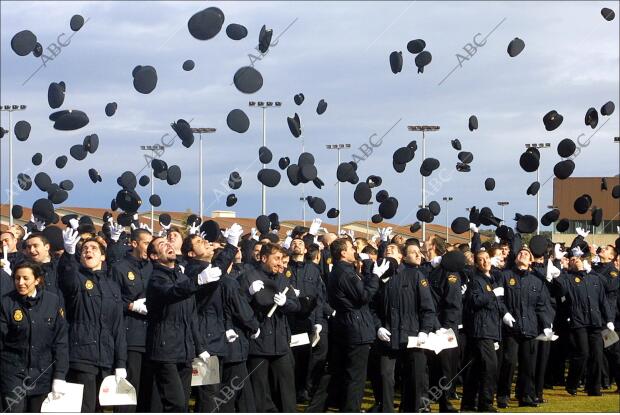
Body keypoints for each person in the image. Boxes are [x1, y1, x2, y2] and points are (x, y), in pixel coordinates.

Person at [57, 229, 127, 412]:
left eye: (94, 248)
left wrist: (120, 362)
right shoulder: (77, 278)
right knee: (85, 408)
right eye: (85, 248)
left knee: (101, 408)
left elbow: (118, 327)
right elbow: (67, 279)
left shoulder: (112, 286)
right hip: (82, 357)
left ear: (103, 257)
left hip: (106, 358)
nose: (88, 250)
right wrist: (69, 254)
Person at [145, 236, 217, 412]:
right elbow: (172, 292)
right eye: (162, 245)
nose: (168, 245)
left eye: (168, 243)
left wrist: (200, 347)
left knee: (183, 403)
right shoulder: (156, 278)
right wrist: (197, 281)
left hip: (185, 350)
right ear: (154, 256)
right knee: (175, 403)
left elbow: (191, 316)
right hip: (165, 351)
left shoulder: (181, 275)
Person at [183, 225, 242, 412]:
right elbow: (218, 270)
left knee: (213, 393)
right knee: (208, 394)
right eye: (199, 242)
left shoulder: (207, 267)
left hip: (215, 337)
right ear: (191, 254)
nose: (206, 243)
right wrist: (232, 245)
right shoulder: (194, 271)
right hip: (203, 339)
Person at [371, 243, 436, 412]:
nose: (388, 250)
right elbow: (371, 307)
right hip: (387, 337)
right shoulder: (376, 276)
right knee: (385, 376)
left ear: (401, 256)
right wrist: (378, 327)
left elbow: (427, 307)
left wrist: (425, 330)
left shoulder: (415, 275)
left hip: (412, 337)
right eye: (386, 249)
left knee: (415, 379)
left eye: (392, 249)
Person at [326, 238, 388, 412]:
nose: (354, 250)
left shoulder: (342, 271)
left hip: (348, 325)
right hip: (355, 328)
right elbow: (363, 296)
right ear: (343, 253)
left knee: (346, 375)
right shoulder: (345, 273)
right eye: (351, 248)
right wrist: (375, 276)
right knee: (356, 379)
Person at [239, 242, 301, 412]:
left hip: (280, 344)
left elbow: (296, 306)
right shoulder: (249, 276)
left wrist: (286, 303)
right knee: (260, 391)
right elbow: (238, 306)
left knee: (286, 390)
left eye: (282, 259)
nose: (280, 263)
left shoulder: (282, 279)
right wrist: (248, 294)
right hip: (258, 344)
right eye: (276, 259)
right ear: (264, 258)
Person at [0, 262, 69, 413]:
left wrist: (60, 375)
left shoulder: (52, 301)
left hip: (42, 373)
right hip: (13, 373)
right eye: (17, 278)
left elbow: (60, 341)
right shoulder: (6, 303)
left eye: (26, 278)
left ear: (37, 280)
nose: (21, 283)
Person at [549, 252, 614, 396]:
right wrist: (557, 271)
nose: (577, 261)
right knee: (582, 353)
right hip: (578, 322)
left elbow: (603, 300)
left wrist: (609, 319)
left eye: (579, 259)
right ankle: (572, 383)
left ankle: (594, 388)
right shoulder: (568, 278)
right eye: (573, 260)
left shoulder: (595, 278)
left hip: (596, 322)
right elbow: (560, 291)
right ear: (570, 264)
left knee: (597, 355)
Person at [495, 247, 553, 408]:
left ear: (531, 261)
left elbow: (542, 306)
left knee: (528, 364)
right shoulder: (505, 276)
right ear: (515, 258)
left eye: (526, 254)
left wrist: (546, 325)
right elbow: (498, 299)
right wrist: (504, 314)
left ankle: (526, 396)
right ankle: (503, 395)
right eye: (520, 253)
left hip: (530, 327)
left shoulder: (537, 280)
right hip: (511, 328)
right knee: (509, 362)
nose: (522, 254)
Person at [109, 228, 154, 412]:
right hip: (131, 337)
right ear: (134, 244)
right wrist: (131, 306)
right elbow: (111, 301)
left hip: (152, 337)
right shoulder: (119, 268)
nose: (149, 247)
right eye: (146, 243)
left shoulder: (153, 266)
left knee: (148, 391)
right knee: (129, 388)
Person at [461, 250, 506, 412]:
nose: (485, 262)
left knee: (476, 368)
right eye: (481, 260)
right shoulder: (476, 280)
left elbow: (497, 304)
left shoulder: (492, 279)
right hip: (482, 329)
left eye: (486, 258)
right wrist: (492, 294)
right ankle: (485, 403)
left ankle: (469, 403)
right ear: (476, 264)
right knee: (490, 367)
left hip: (492, 328)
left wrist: (505, 313)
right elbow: (475, 301)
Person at [286, 237, 327, 403]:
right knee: (288, 359)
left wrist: (318, 322)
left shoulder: (313, 269)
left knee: (304, 358)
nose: (297, 245)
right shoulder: (285, 267)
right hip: (288, 320)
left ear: (305, 250)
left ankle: (302, 390)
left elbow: (319, 297)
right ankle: (288, 390)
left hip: (307, 320)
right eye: (294, 243)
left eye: (300, 244)